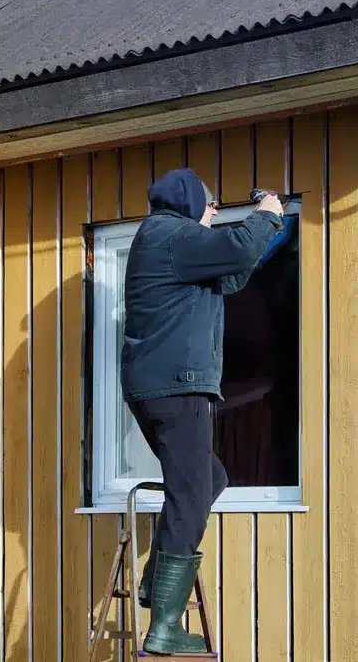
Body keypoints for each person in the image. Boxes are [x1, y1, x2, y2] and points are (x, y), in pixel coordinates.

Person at [120, 167, 284, 655]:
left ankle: (154, 585)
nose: (213, 215)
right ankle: (166, 625)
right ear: (189, 203)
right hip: (177, 389)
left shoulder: (167, 244)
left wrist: (270, 232)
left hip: (158, 388)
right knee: (192, 495)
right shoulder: (171, 235)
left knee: (207, 480)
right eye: (212, 207)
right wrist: (268, 215)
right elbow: (235, 248)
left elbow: (231, 273)